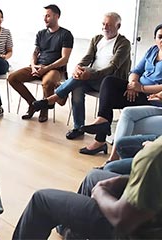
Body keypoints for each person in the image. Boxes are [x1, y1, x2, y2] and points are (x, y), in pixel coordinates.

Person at [13, 135, 162, 239]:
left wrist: (100, 191)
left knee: (41, 200)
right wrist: (126, 180)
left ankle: (74, 228)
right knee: (94, 175)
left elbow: (122, 220)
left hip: (139, 232)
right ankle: (70, 230)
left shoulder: (155, 154)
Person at [33, 12, 131, 135]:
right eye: (103, 24)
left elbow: (113, 67)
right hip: (92, 79)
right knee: (77, 87)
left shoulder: (124, 43)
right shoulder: (97, 39)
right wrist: (77, 68)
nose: (105, 27)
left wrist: (90, 74)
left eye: (109, 25)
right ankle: (78, 128)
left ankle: (53, 98)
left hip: (110, 82)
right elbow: (87, 58)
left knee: (85, 72)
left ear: (118, 26)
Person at [80, 23, 162, 155]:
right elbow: (136, 70)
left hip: (152, 98)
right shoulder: (152, 51)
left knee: (109, 98)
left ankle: (101, 139)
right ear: (155, 39)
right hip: (136, 90)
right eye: (160, 37)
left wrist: (141, 88)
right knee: (109, 81)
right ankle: (102, 122)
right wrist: (132, 84)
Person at [7, 4, 73, 122]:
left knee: (47, 82)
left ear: (56, 16)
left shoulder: (66, 34)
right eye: (44, 16)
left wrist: (46, 68)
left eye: (48, 16)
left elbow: (64, 59)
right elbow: (35, 53)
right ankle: (33, 104)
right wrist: (33, 66)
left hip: (55, 69)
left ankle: (44, 109)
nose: (44, 19)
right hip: (38, 66)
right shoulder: (40, 33)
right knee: (12, 78)